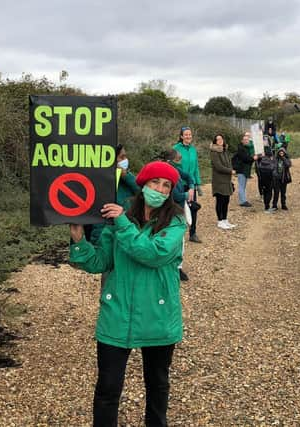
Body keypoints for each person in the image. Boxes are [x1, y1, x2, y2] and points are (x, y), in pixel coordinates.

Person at [69, 161, 186, 427]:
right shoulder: (121, 217)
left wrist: (121, 222)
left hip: (158, 315)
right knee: (107, 389)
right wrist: (79, 241)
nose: (160, 189)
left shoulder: (176, 222)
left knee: (157, 384)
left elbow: (153, 254)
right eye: (155, 182)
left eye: (166, 185)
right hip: (117, 312)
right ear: (143, 184)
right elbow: (101, 262)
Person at [166, 150, 195, 282]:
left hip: (178, 209)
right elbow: (175, 195)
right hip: (172, 210)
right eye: (178, 159)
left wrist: (191, 186)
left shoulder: (176, 170)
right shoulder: (167, 172)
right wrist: (186, 194)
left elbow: (188, 176)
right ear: (170, 160)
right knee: (176, 238)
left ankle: (177, 266)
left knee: (179, 239)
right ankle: (175, 267)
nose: (180, 162)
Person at [173, 126, 203, 243]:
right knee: (178, 209)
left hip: (191, 185)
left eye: (190, 134)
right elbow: (173, 166)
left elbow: (196, 168)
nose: (188, 136)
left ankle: (193, 233)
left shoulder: (193, 150)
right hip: (179, 184)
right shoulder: (176, 148)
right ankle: (176, 235)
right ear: (181, 136)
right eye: (186, 134)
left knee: (193, 208)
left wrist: (198, 184)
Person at [209, 134, 236, 229]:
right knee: (220, 200)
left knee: (226, 200)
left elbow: (229, 163)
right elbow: (218, 166)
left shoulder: (224, 151)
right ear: (215, 141)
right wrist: (230, 171)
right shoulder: (214, 152)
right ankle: (220, 221)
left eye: (221, 139)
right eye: (218, 139)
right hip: (219, 180)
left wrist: (231, 170)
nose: (220, 141)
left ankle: (225, 220)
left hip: (227, 180)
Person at [234, 132, 258, 207]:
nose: (246, 141)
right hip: (241, 169)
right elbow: (245, 158)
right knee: (241, 185)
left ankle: (243, 200)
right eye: (245, 140)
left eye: (247, 140)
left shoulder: (247, 148)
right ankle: (243, 201)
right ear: (242, 141)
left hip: (245, 169)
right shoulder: (241, 148)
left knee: (243, 185)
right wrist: (253, 158)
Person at [258, 147, 276, 212]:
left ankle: (266, 206)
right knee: (269, 193)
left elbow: (259, 169)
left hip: (263, 180)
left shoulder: (261, 161)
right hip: (270, 180)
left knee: (265, 192)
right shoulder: (271, 162)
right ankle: (267, 208)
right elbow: (273, 169)